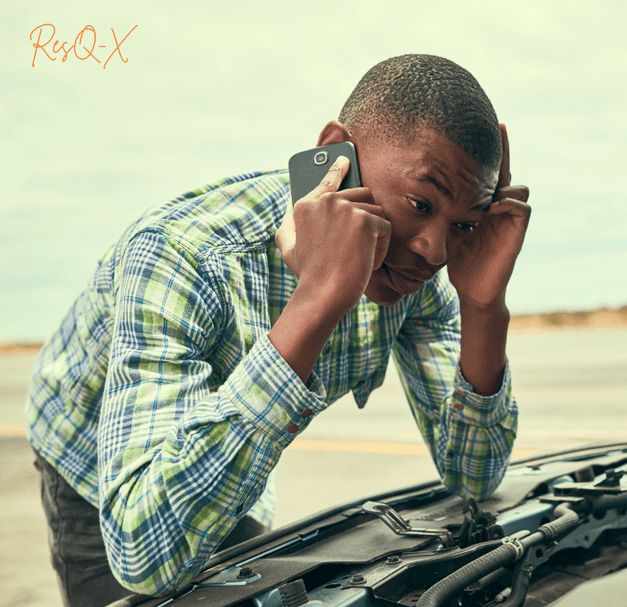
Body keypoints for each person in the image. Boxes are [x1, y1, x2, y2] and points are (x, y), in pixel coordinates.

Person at [24, 54, 530, 605]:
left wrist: (485, 307)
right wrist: (318, 297)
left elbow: (475, 476)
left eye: (462, 223)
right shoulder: (183, 255)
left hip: (224, 449)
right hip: (99, 467)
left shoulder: (415, 273)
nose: (435, 250)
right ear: (337, 152)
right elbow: (143, 552)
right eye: (418, 202)